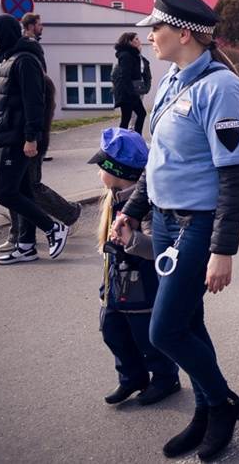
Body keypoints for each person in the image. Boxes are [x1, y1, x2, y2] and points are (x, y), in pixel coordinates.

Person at [113, 0, 239, 461]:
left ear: (185, 34)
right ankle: (206, 409)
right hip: (167, 224)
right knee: (189, 323)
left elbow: (235, 180)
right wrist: (131, 211)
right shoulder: (172, 78)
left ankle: (223, 403)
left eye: (157, 27)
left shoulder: (222, 89)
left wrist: (223, 250)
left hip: (200, 225)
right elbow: (160, 161)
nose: (150, 35)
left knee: (165, 331)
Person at [91, 127, 180, 407]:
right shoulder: (113, 198)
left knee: (146, 337)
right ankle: (131, 377)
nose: (97, 173)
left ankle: (166, 377)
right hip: (116, 285)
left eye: (100, 167)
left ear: (119, 172)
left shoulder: (146, 204)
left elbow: (161, 249)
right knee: (112, 330)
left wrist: (132, 239)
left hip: (144, 289)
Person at [0, 15, 70, 263]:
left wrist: (32, 138)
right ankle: (26, 246)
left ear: (3, 34)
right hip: (3, 139)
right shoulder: (5, 60)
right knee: (23, 192)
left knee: (5, 193)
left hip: (17, 139)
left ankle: (53, 228)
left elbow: (34, 103)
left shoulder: (25, 61)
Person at [112, 32, 152, 134]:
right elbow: (125, 76)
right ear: (130, 41)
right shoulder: (126, 55)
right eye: (136, 39)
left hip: (130, 92)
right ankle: (128, 139)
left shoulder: (132, 54)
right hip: (127, 93)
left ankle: (129, 139)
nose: (139, 41)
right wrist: (132, 93)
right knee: (136, 115)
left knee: (130, 117)